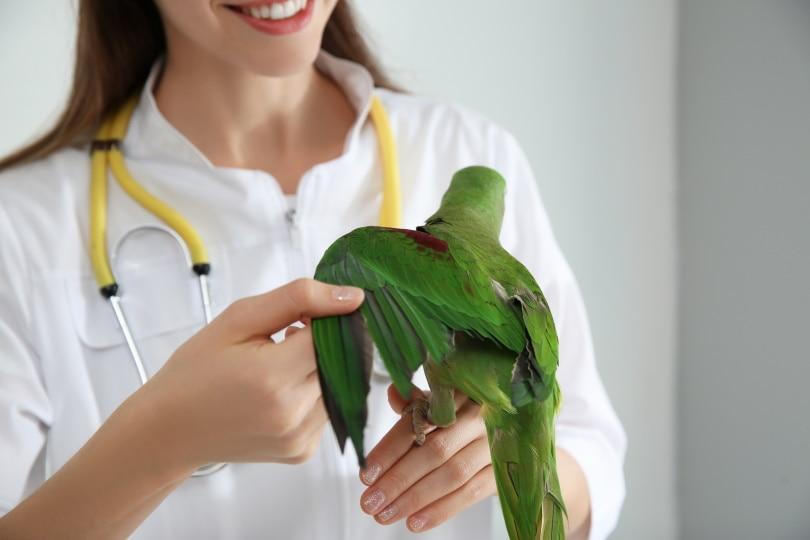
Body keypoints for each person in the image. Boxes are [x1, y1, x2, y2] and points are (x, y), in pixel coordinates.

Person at [0, 1, 626, 538]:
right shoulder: (22, 227)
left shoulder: (471, 158)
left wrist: (517, 461)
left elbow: (591, 449)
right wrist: (162, 441)